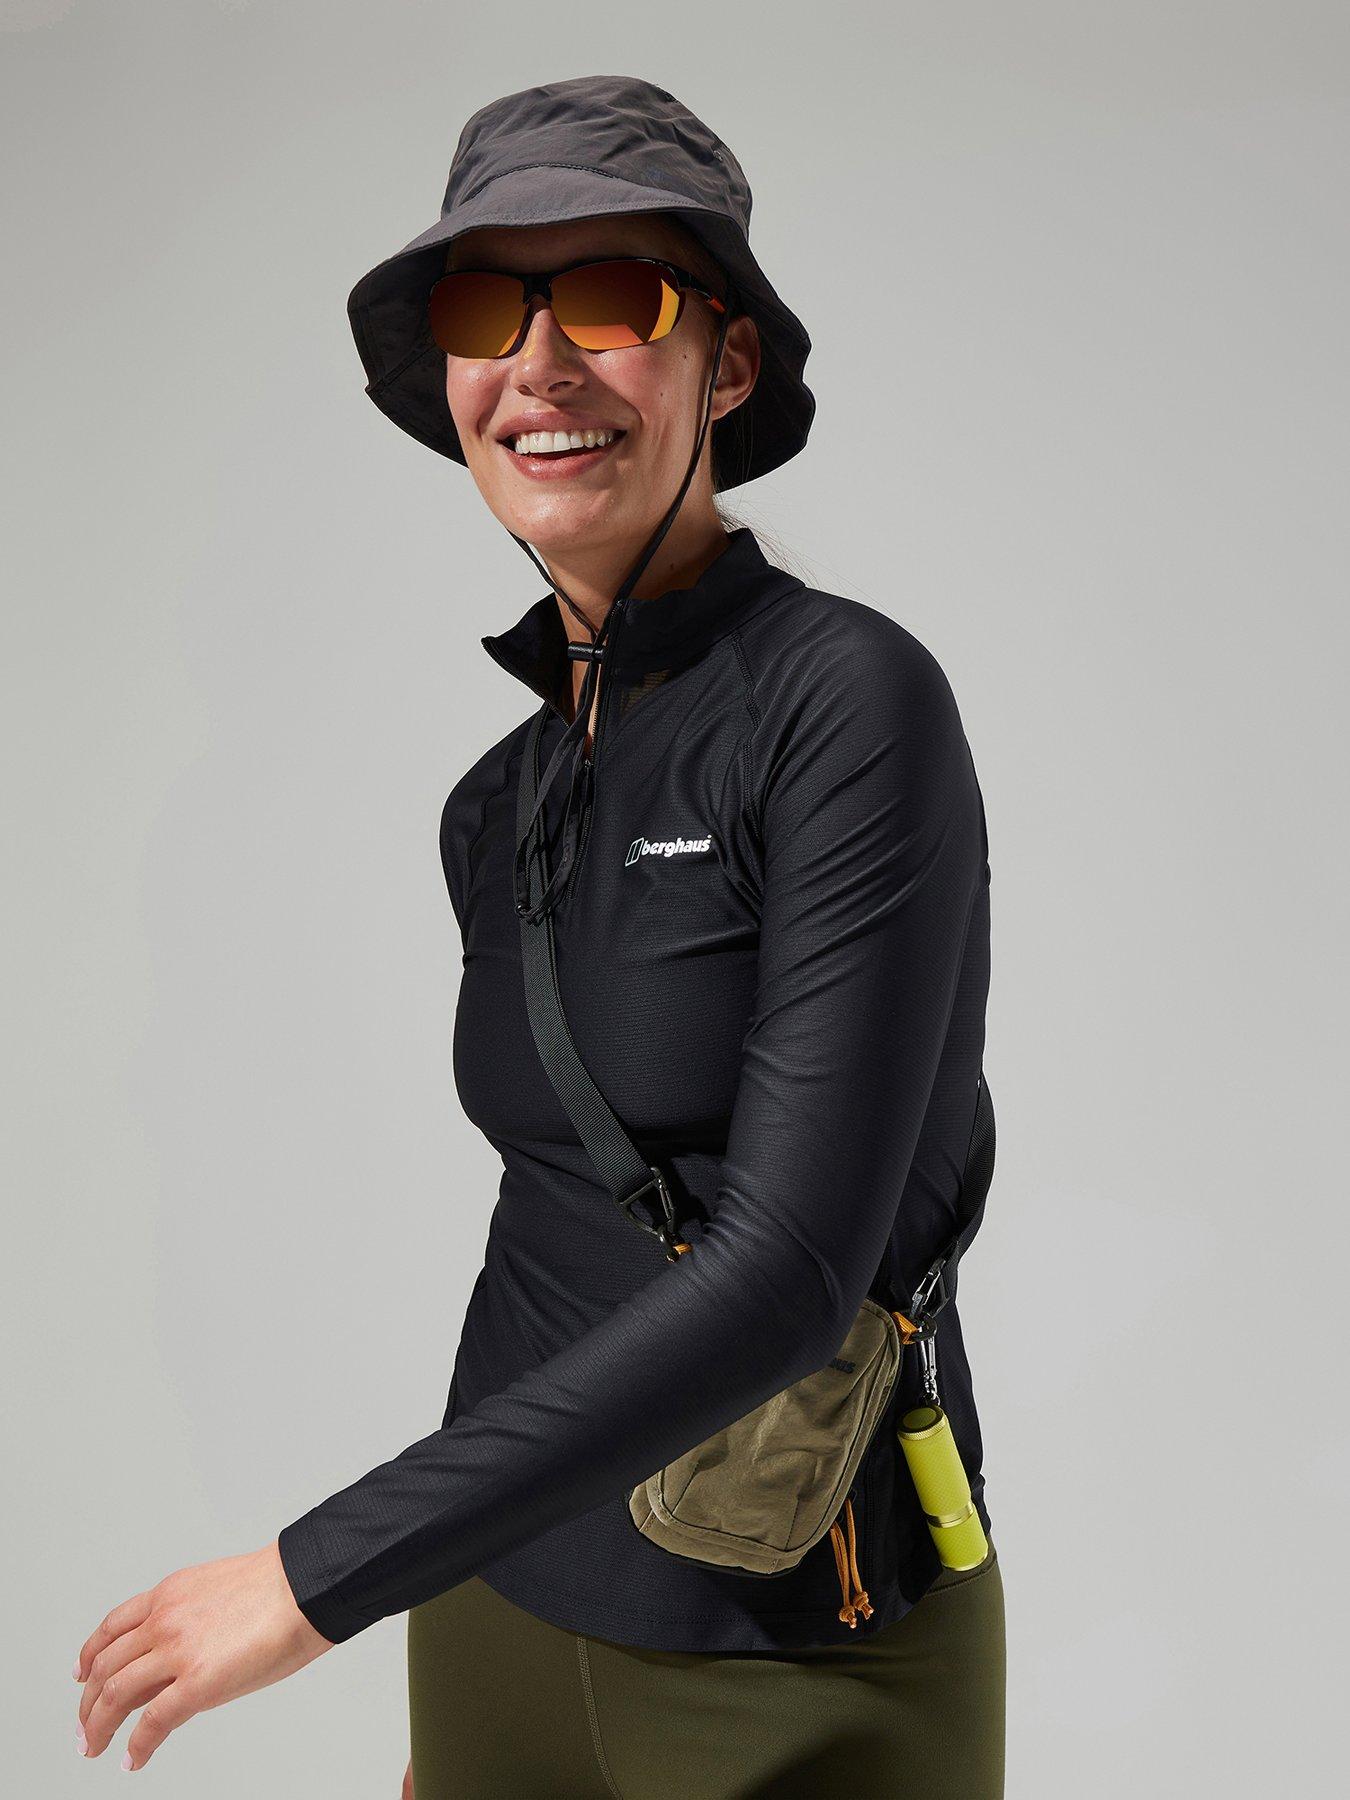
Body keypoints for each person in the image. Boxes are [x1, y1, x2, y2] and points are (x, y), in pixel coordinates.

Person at [72, 75, 1005, 1797]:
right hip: (495, 1608)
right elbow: (551, 1213)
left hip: (793, 1632)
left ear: (727, 362)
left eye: (610, 299)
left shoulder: (845, 704)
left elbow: (789, 1277)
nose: (539, 364)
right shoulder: (497, 797)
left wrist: (315, 1575)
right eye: (484, 310)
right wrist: (442, 1611)